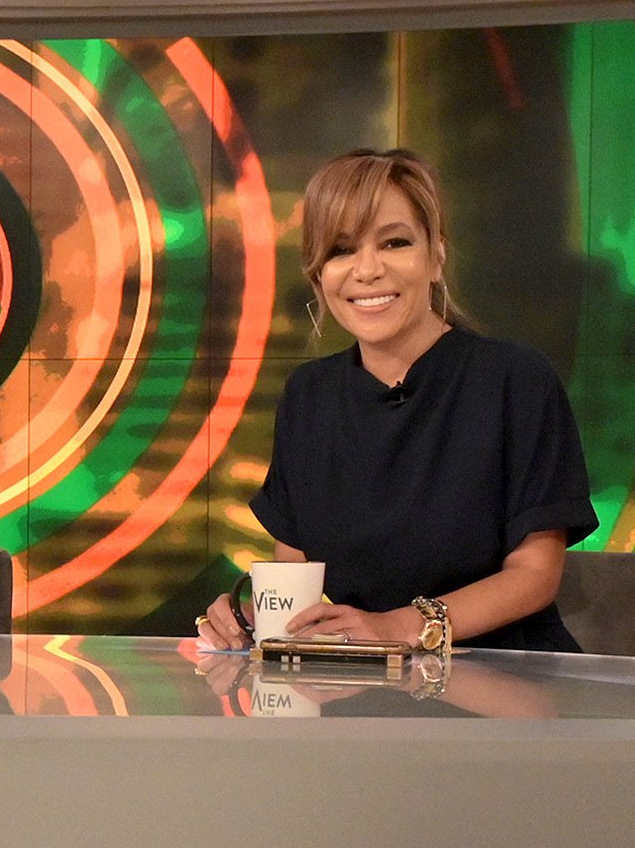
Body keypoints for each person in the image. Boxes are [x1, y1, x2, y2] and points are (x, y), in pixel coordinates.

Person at [196, 148, 596, 655]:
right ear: (318, 273)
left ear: (436, 256)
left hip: (505, 681)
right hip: (359, 685)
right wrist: (253, 619)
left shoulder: (515, 380)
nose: (366, 270)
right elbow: (294, 579)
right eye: (341, 250)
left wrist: (399, 628)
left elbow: (535, 575)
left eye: (394, 242)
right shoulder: (308, 396)